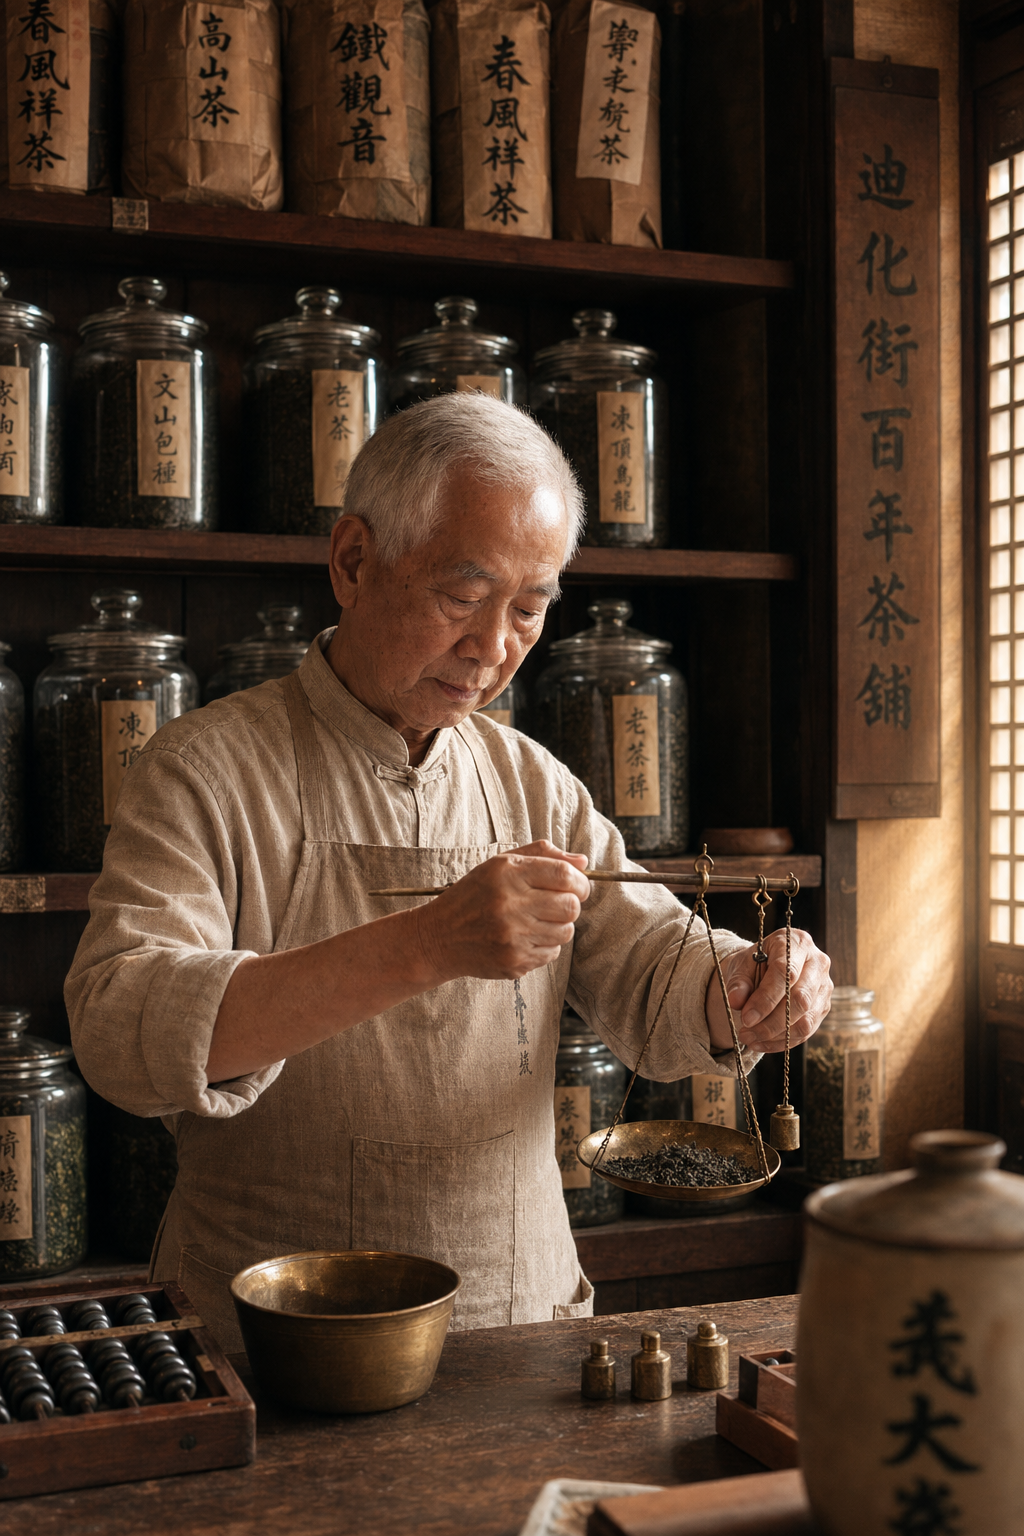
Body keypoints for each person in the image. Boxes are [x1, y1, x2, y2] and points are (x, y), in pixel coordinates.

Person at [66, 395, 832, 1349]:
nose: (492, 647)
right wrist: (424, 944)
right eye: (462, 598)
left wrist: (747, 990)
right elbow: (118, 1028)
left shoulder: (532, 783)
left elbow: (653, 969)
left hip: (514, 1315)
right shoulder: (206, 767)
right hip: (273, 1330)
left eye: (527, 609)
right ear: (352, 561)